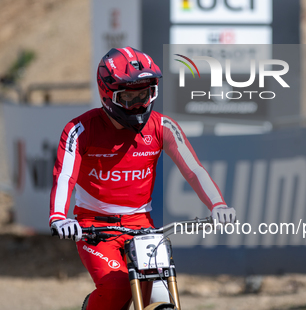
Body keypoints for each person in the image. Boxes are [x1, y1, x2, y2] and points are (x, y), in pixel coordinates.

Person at [49, 46, 236, 310]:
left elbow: (193, 169)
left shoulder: (163, 126)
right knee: (117, 287)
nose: (139, 104)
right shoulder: (79, 130)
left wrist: (218, 205)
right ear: (108, 94)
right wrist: (59, 216)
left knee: (161, 286)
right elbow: (64, 175)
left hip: (143, 227)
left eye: (145, 94)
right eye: (128, 97)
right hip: (95, 228)